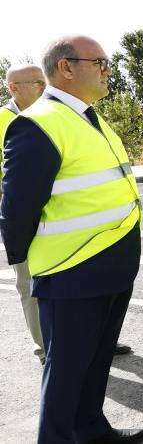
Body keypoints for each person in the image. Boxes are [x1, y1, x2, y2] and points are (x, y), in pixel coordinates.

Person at [0, 35, 143, 443]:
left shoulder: (89, 117)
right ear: (66, 67)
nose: (108, 70)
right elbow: (16, 212)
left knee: (95, 364)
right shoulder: (37, 124)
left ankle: (91, 429)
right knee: (66, 371)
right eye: (100, 62)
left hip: (111, 266)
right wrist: (35, 266)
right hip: (71, 272)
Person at [1, 63, 47, 365]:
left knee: (70, 282)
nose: (45, 88)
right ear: (13, 88)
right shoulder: (4, 120)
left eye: (45, 82)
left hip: (58, 216)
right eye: (37, 83)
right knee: (30, 283)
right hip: (23, 217)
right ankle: (46, 347)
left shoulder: (49, 115)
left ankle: (89, 339)